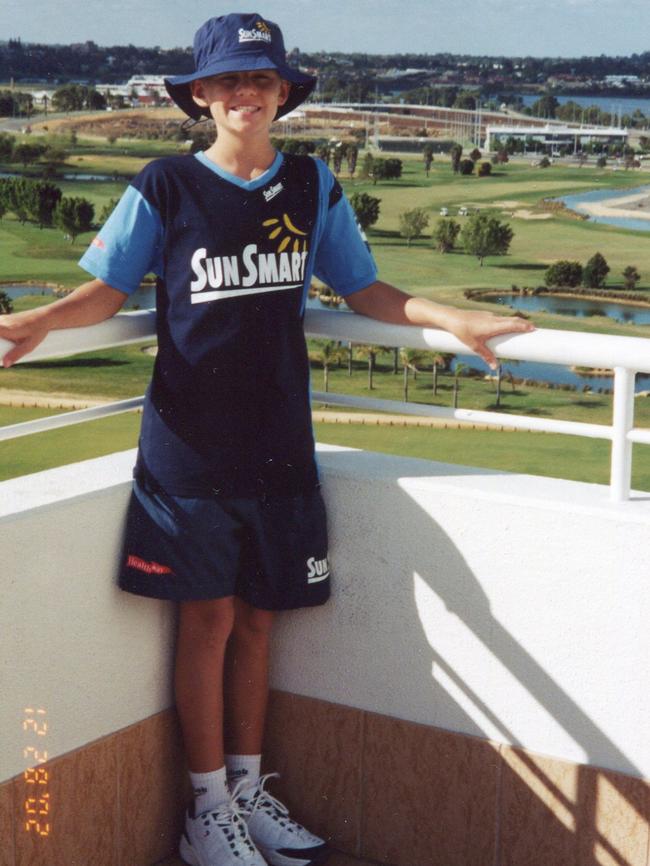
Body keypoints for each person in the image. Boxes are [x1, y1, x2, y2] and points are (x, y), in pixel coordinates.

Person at [0, 12, 534, 866]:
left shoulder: (313, 185)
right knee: (207, 619)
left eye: (262, 79)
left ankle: (247, 794)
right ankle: (204, 809)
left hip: (281, 446)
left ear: (283, 94)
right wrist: (33, 321)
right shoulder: (165, 185)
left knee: (260, 623)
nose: (245, 93)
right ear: (202, 95)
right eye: (229, 81)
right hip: (189, 449)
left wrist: (452, 316)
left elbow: (364, 290)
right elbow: (106, 292)